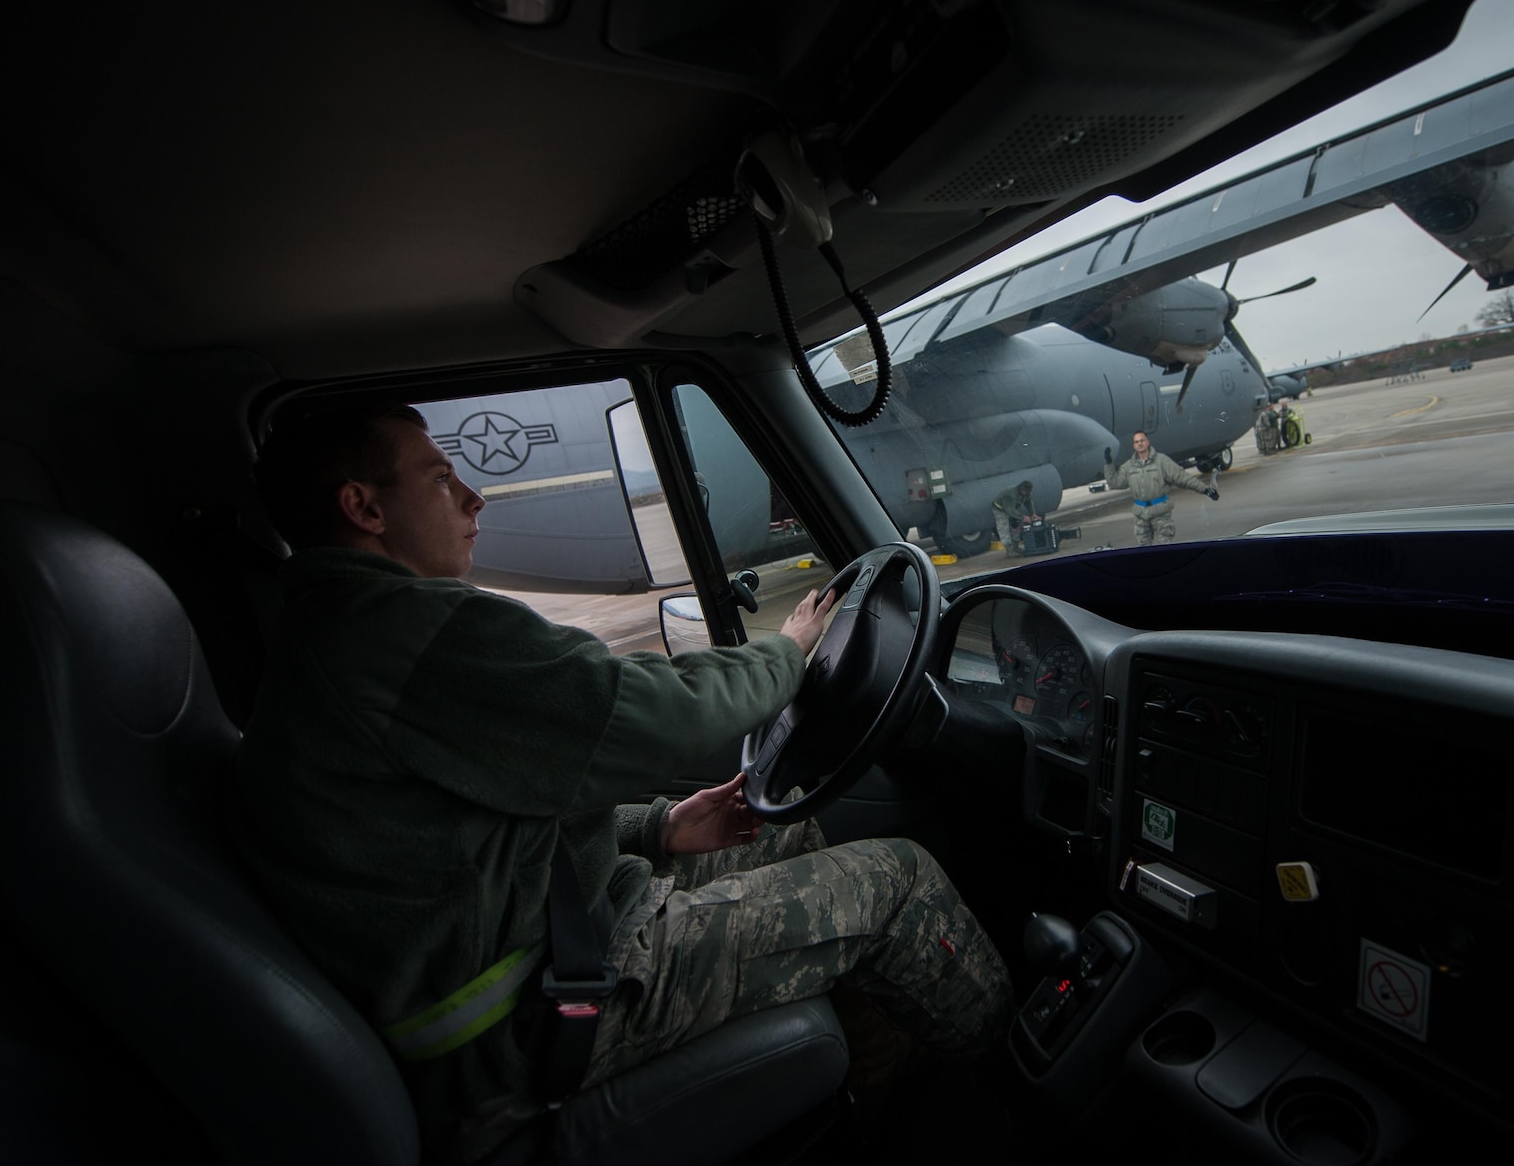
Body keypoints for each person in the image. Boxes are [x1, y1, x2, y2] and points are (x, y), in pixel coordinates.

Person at [235, 401, 1011, 1163]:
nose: (473, 496)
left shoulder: (335, 633)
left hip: (528, 957)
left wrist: (658, 829)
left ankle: (876, 1105)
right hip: (527, 1019)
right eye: (440, 479)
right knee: (897, 880)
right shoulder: (400, 633)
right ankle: (1027, 1097)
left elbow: (486, 825)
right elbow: (648, 712)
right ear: (363, 507)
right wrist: (788, 654)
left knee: (789, 830)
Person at [1104, 429, 1217, 546]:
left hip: (1161, 514)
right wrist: (1108, 464)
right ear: (1134, 446)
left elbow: (1182, 477)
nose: (1140, 443)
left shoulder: (1161, 461)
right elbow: (1115, 482)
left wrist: (1205, 489)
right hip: (1141, 515)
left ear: (1148, 442)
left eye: (1142, 440)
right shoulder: (1128, 467)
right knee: (1143, 551)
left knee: (1164, 548)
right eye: (1137, 442)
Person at [990, 479, 1041, 555]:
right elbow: (1010, 511)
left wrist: (1033, 513)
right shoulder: (1011, 494)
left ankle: (1015, 546)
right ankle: (1009, 550)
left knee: (1016, 525)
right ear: (1022, 490)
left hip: (1013, 507)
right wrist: (1023, 517)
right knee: (1004, 527)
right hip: (1000, 508)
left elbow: (1029, 503)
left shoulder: (1026, 493)